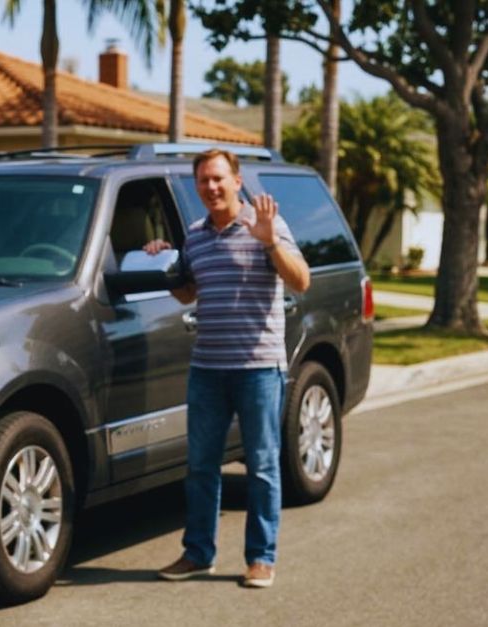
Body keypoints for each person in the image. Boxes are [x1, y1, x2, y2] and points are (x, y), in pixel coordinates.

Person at [146, 148, 310, 589]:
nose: (211, 187)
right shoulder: (195, 236)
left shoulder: (266, 224)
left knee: (260, 466)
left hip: (258, 368)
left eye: (219, 179)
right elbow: (188, 293)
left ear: (237, 181)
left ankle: (261, 558)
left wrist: (270, 241)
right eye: (203, 181)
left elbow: (301, 280)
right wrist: (162, 260)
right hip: (208, 368)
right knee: (200, 466)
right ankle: (199, 553)